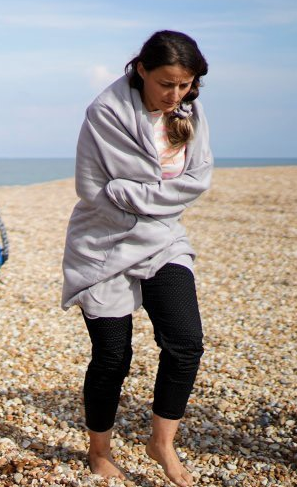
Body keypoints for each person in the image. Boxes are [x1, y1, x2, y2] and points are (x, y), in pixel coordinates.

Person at [62, 31, 211, 487]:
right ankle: (99, 450)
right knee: (113, 356)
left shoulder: (191, 109)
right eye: (167, 83)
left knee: (186, 343)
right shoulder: (104, 113)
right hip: (103, 244)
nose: (176, 95)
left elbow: (199, 178)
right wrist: (154, 197)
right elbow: (93, 190)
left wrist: (133, 194)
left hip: (163, 239)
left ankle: (162, 443)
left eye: (184, 84)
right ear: (141, 69)